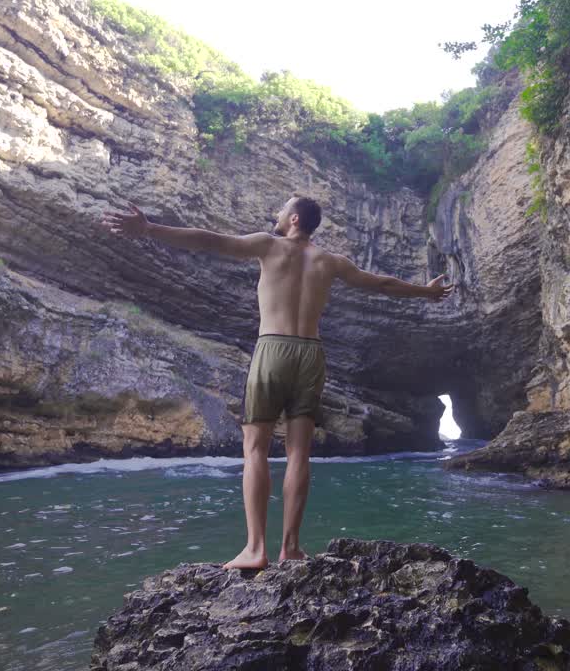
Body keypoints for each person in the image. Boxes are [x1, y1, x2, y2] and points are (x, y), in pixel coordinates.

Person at [100, 196, 454, 569]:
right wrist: (426, 292)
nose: (276, 214)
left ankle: (255, 549)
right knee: (299, 452)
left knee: (255, 447)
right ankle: (292, 548)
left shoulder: (269, 245)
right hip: (311, 354)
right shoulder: (331, 262)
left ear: (294, 219)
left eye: (282, 210)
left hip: (274, 348)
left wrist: (149, 229)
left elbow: (210, 240)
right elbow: (381, 284)